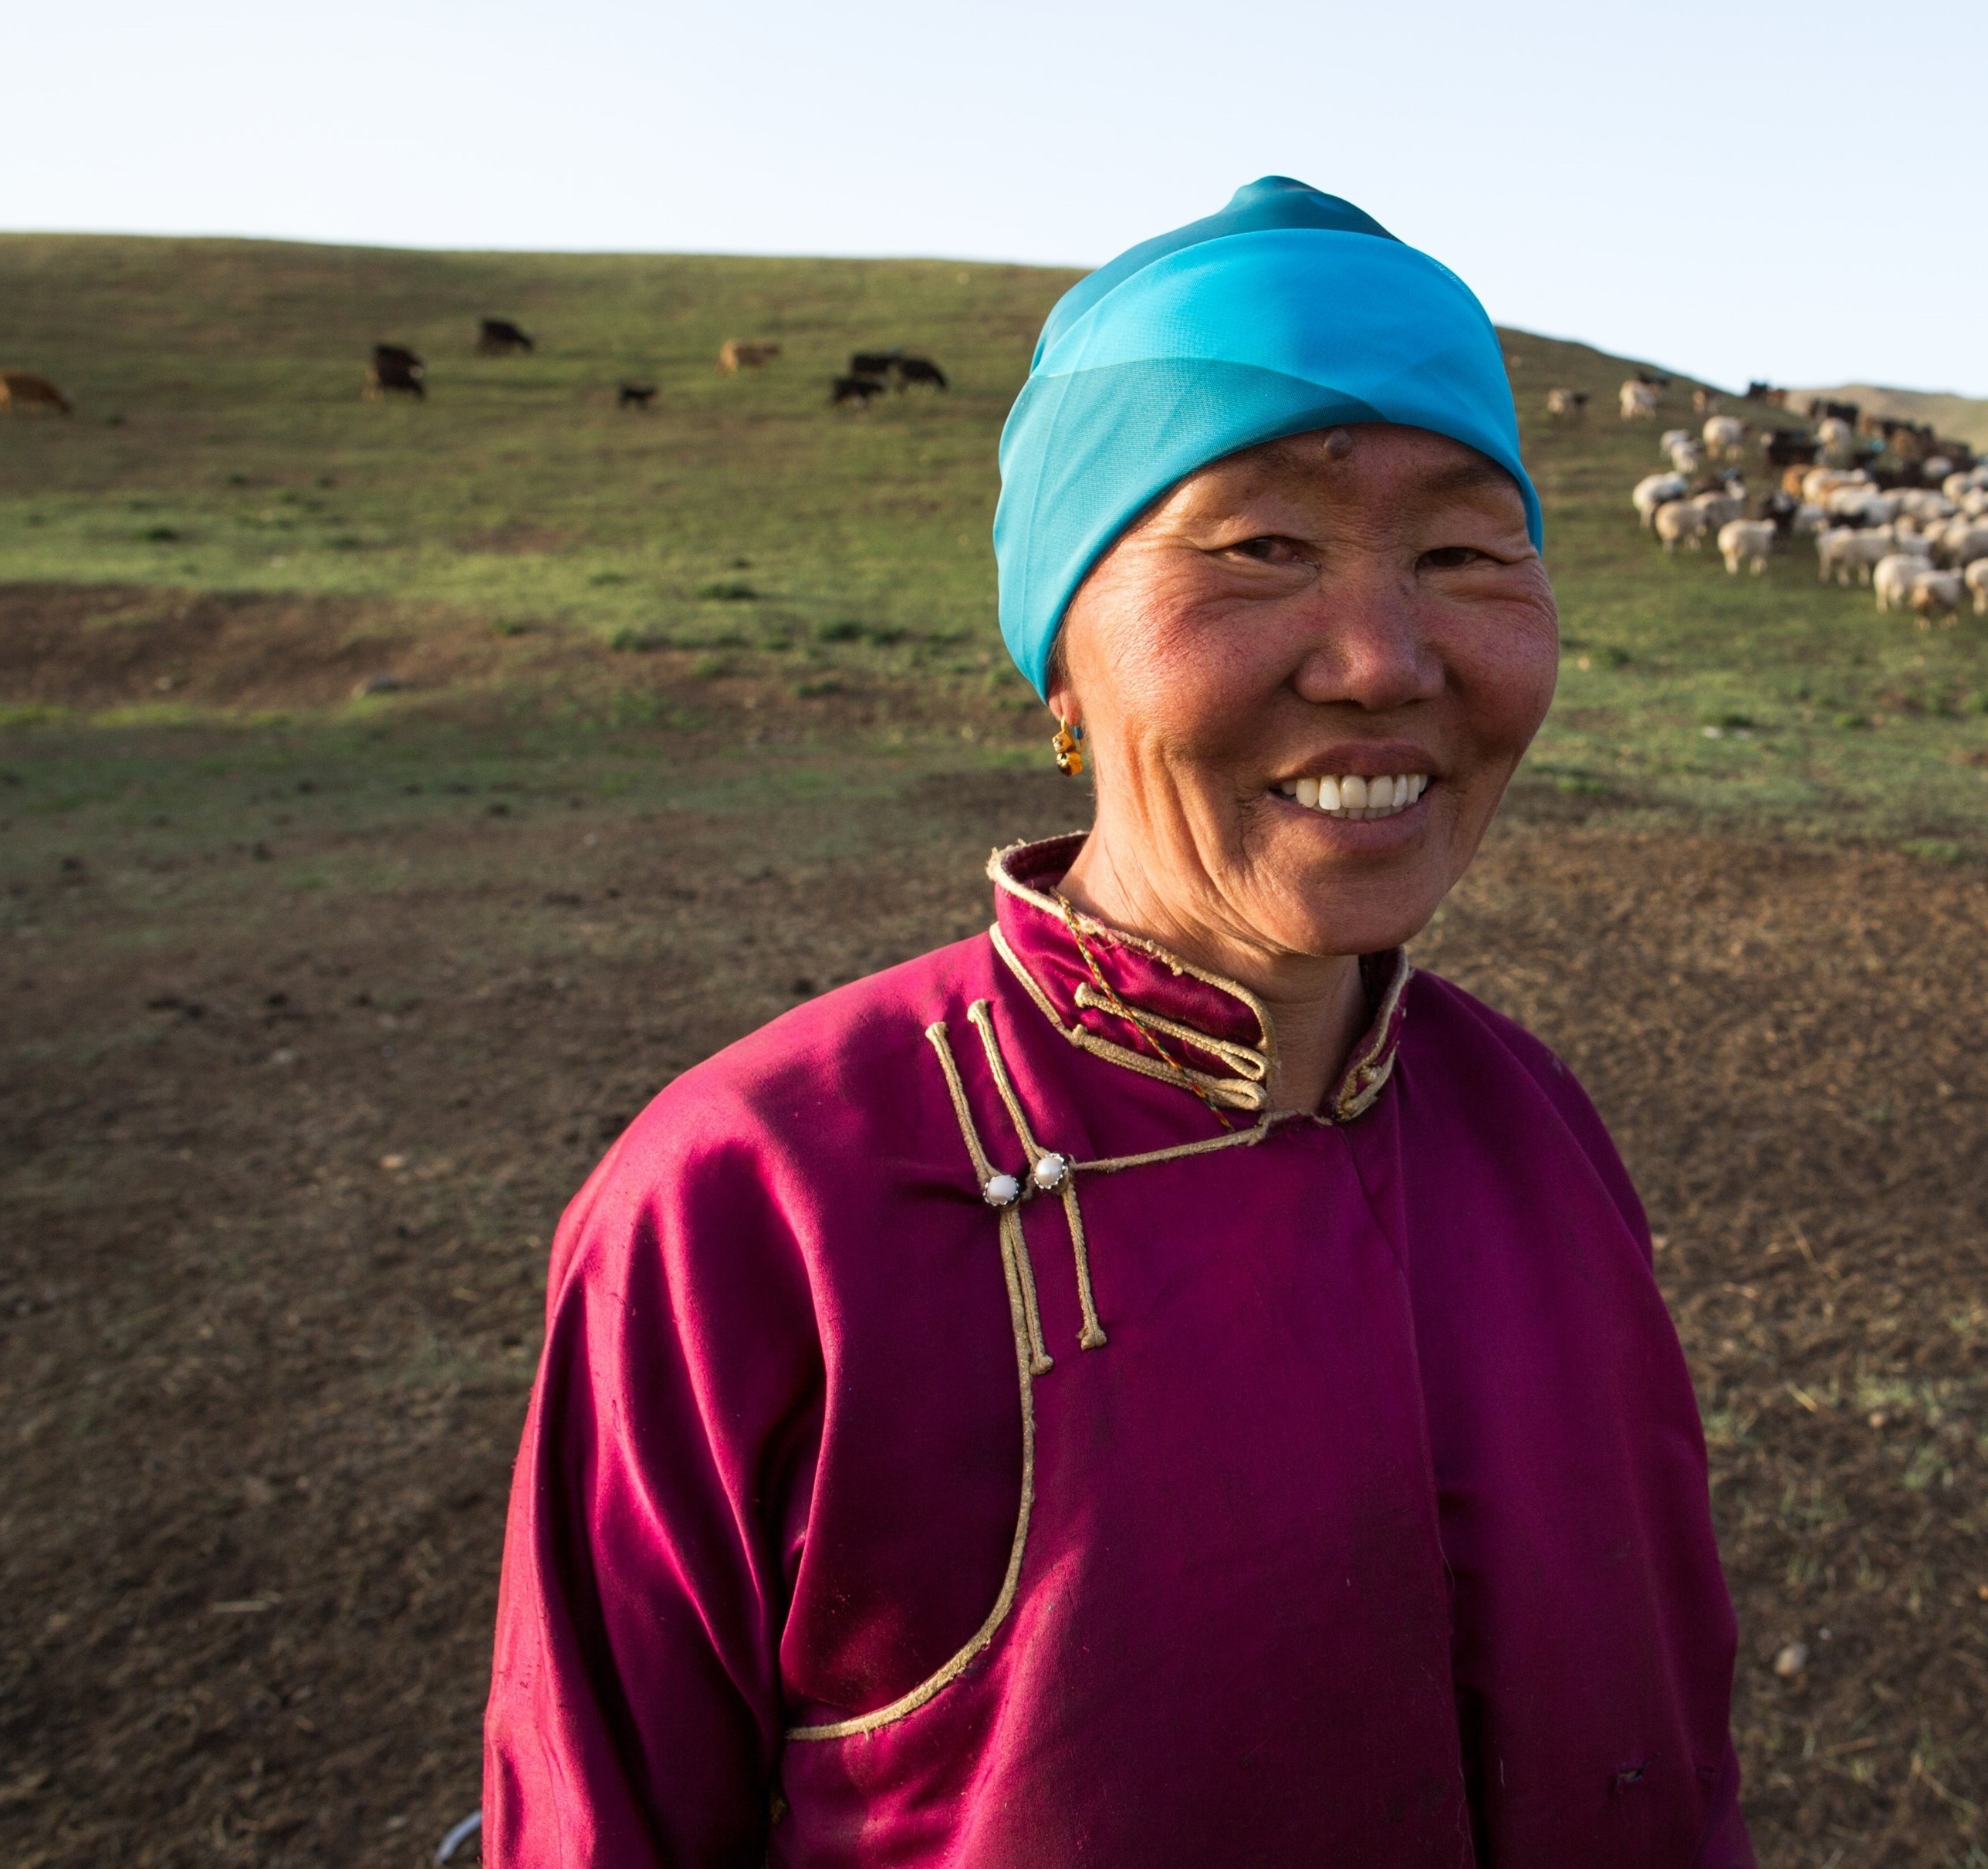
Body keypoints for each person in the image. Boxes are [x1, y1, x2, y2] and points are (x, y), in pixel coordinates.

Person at [484, 177, 1751, 1867]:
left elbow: (1666, 1754)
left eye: (1460, 553)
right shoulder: (747, 1203)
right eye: (1258, 550)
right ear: (1062, 662)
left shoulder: (1534, 1130)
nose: (1381, 659)